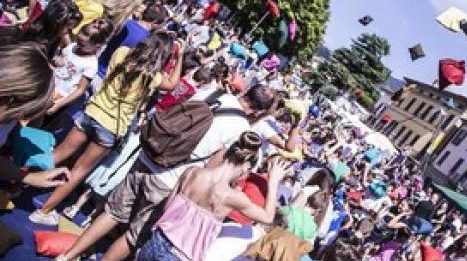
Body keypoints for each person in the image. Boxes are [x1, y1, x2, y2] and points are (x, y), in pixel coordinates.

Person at [59, 84, 276, 261]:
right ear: (257, 111)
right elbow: (212, 168)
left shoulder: (213, 92)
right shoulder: (239, 129)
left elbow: (177, 112)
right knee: (133, 236)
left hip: (148, 156)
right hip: (171, 178)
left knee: (113, 213)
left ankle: (68, 255)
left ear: (246, 91)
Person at [30, 31, 185, 226]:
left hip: (92, 112)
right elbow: (172, 84)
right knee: (79, 170)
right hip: (111, 127)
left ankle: (19, 180)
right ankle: (43, 211)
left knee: (57, 154)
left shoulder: (122, 53)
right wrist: (180, 56)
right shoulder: (152, 77)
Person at [136, 133, 288, 261]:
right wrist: (273, 181)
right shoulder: (232, 196)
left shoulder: (192, 172)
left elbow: (167, 207)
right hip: (179, 256)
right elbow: (268, 218)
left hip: (156, 241)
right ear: (246, 167)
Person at [0, 42, 71, 188]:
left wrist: (29, 177)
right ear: (9, 99)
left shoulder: (8, 121)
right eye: (22, 111)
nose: (20, 118)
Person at [45, 18, 114, 125]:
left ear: (98, 45)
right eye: (83, 33)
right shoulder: (72, 47)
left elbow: (80, 90)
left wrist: (58, 105)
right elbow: (58, 63)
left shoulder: (91, 64)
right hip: (45, 89)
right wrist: (54, 61)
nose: (81, 37)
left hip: (56, 100)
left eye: (86, 39)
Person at [94, 2, 166, 89]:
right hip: (108, 81)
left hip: (96, 67)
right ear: (155, 22)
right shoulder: (148, 41)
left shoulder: (125, 23)